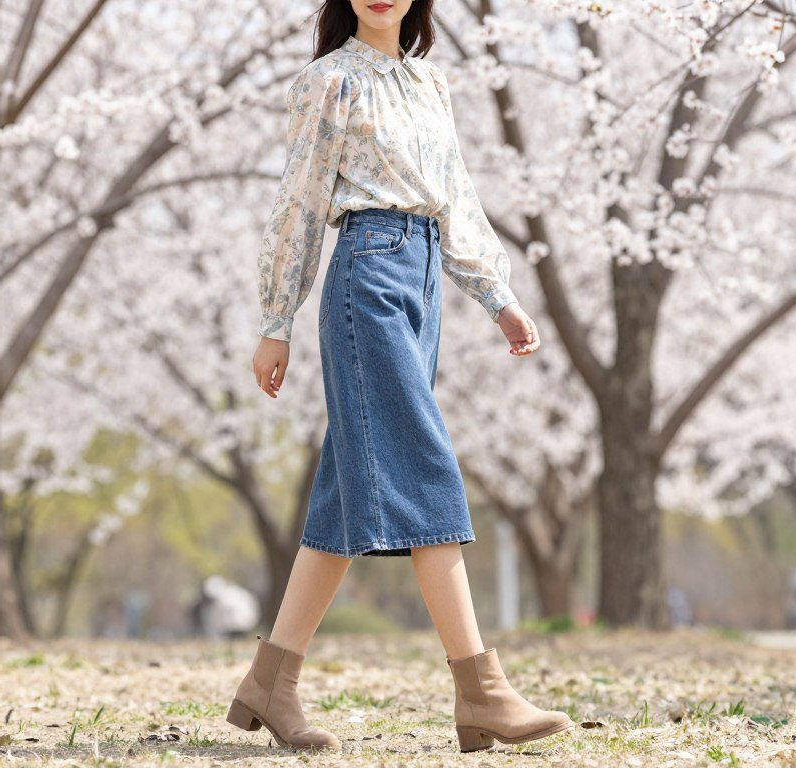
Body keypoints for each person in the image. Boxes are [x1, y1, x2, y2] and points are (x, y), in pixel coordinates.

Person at [232, 0, 573, 753]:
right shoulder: (330, 81)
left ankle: (269, 682)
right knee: (423, 468)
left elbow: (456, 197)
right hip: (367, 275)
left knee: (340, 498)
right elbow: (300, 199)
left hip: (421, 282)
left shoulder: (431, 83)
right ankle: (481, 690)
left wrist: (500, 297)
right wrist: (275, 319)